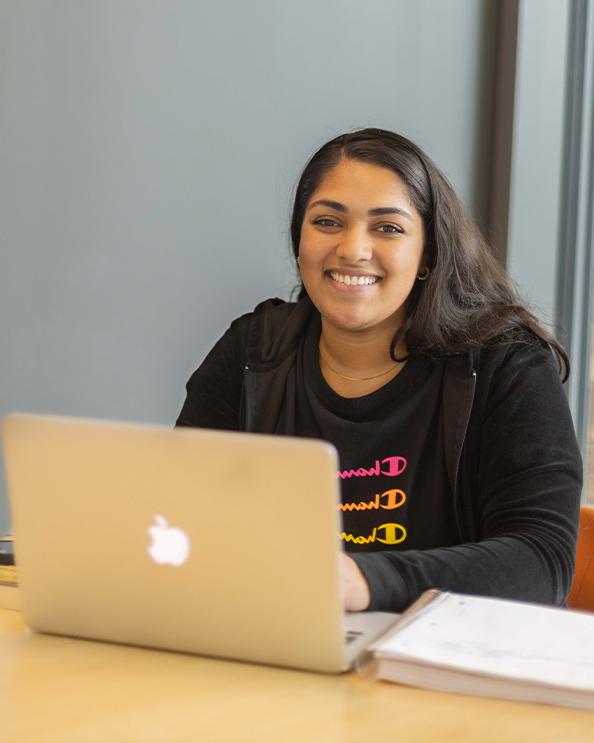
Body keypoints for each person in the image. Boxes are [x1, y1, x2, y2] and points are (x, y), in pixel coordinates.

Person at [176, 128, 582, 613]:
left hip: (444, 665)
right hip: (278, 647)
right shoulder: (252, 350)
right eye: (327, 221)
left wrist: (365, 581)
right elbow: (178, 519)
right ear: (299, 240)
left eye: (387, 228)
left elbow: (541, 563)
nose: (352, 249)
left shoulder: (506, 364)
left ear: (428, 253)